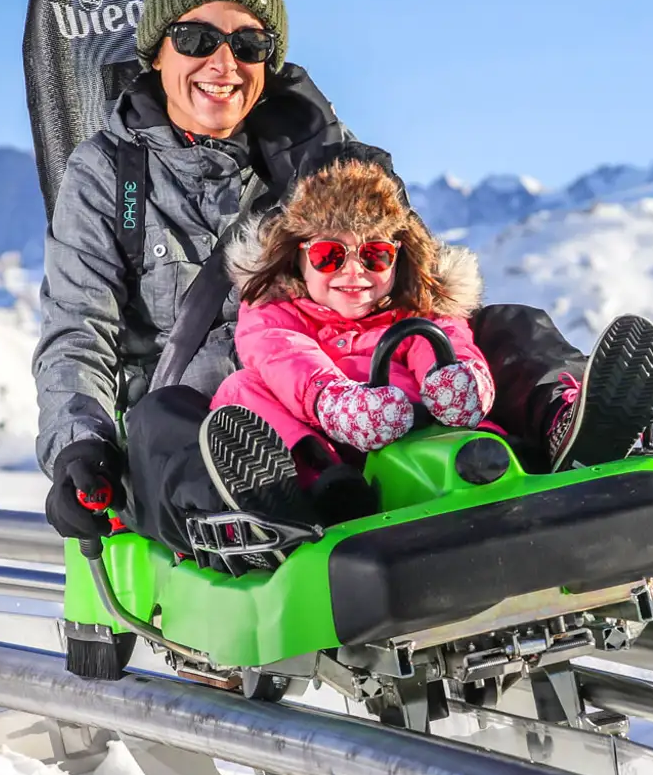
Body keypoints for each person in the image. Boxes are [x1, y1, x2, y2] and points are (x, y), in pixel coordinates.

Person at [34, 0, 653, 552]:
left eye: (248, 44)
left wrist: (332, 170)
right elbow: (78, 334)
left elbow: (411, 267)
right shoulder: (111, 176)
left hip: (352, 392)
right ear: (157, 49)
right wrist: (80, 448)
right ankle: (262, 503)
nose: (224, 64)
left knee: (509, 325)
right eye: (197, 39)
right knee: (163, 424)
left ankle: (569, 427)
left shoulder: (311, 149)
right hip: (223, 419)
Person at [203, 156, 496, 530]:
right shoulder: (276, 312)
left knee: (499, 337)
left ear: (397, 258)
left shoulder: (414, 308)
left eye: (375, 255)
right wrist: (334, 401)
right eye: (330, 256)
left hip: (424, 441)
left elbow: (442, 338)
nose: (354, 271)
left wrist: (451, 378)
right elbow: (284, 354)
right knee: (239, 390)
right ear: (299, 257)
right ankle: (292, 499)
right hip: (332, 462)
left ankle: (539, 436)